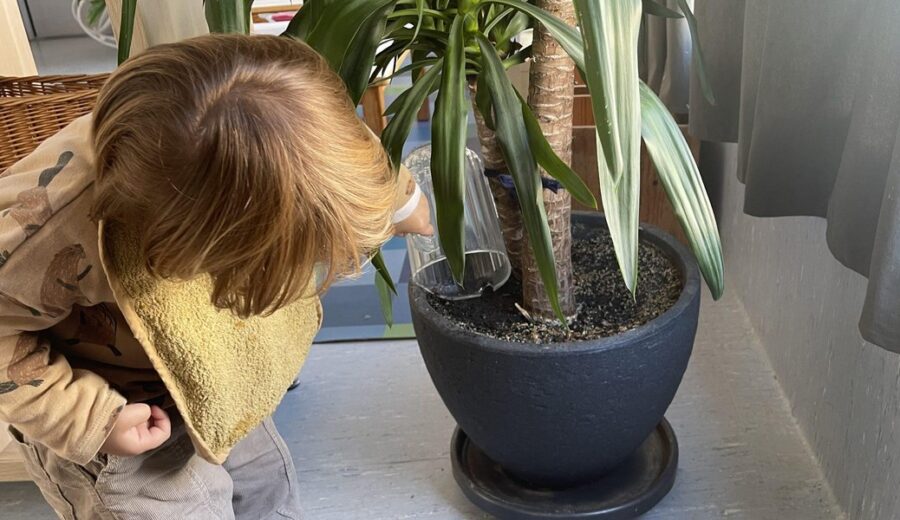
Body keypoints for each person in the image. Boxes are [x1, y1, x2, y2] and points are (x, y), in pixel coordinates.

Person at [0, 34, 431, 519]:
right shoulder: (53, 234)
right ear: (193, 245)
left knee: (266, 488)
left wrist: (401, 200)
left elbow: (338, 157)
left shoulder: (298, 129)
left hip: (219, 378)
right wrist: (91, 420)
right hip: (119, 411)